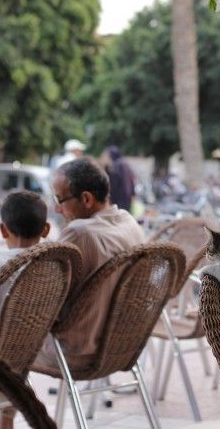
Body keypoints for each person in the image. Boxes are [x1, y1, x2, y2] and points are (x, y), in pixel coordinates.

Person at [35, 156, 145, 371]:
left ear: (86, 199)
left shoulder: (80, 233)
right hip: (121, 348)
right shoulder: (128, 221)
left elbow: (42, 295)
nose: (57, 209)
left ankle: (8, 406)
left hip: (74, 352)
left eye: (59, 200)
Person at [0, 191, 50, 429]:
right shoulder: (53, 269)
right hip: (13, 368)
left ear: (3, 230)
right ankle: (6, 421)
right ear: (46, 229)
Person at [104, 145, 136, 211]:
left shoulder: (115, 166)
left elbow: (113, 186)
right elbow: (132, 181)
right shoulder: (125, 164)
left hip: (118, 201)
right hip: (127, 200)